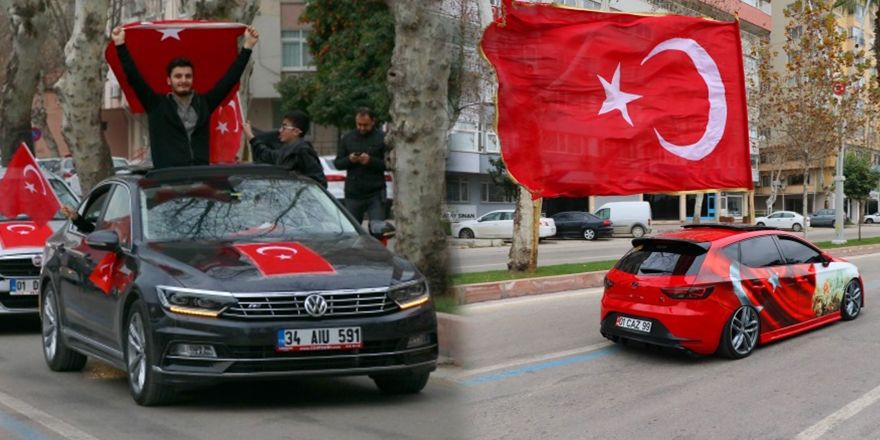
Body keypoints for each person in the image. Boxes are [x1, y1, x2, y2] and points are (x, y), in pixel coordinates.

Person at [111, 25, 259, 169]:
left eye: (188, 76)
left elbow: (230, 79)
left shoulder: (204, 103)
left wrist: (248, 46)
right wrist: (120, 44)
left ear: (193, 79)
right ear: (169, 80)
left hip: (199, 178)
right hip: (166, 180)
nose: (183, 80)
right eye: (178, 76)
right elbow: (134, 77)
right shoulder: (156, 105)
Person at [243, 111, 327, 188]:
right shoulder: (286, 150)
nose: (280, 131)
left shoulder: (302, 151)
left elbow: (319, 181)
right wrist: (251, 137)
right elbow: (266, 154)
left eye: (284, 127)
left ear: (296, 131)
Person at [334, 108, 388, 223]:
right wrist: (350, 159)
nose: (362, 128)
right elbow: (338, 163)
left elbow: (389, 164)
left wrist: (370, 161)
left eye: (366, 125)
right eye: (359, 124)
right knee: (353, 231)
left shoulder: (382, 138)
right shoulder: (348, 138)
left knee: (378, 229)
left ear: (373, 122)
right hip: (353, 193)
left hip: (376, 192)